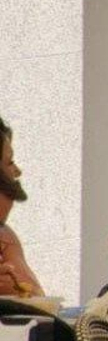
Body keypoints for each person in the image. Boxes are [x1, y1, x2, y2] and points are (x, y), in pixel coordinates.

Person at [0, 116, 43, 298]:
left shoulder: (5, 237)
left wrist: (14, 288)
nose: (17, 172)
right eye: (9, 162)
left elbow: (38, 300)